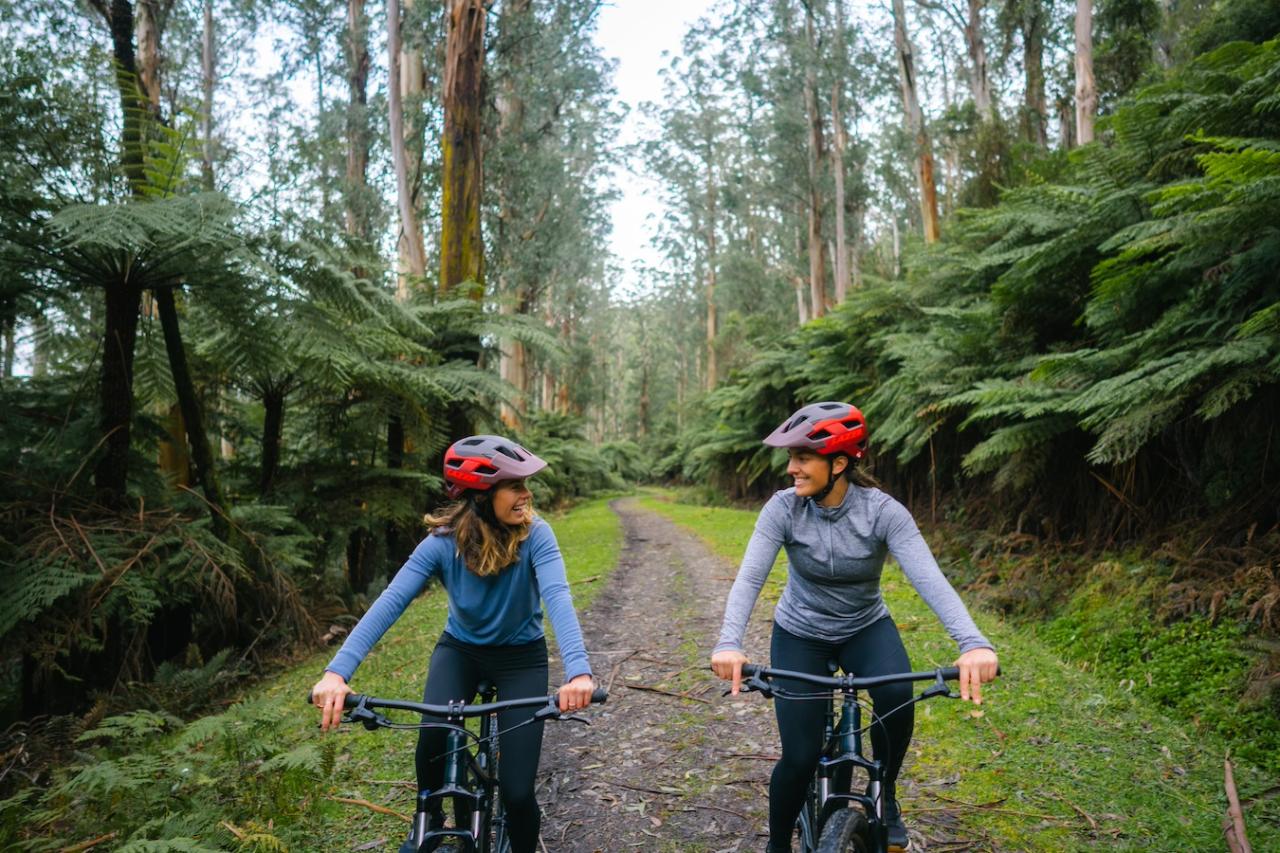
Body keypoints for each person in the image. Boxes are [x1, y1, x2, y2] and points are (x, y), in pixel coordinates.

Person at [709, 402, 999, 853]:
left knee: (896, 699)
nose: (791, 469)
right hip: (799, 631)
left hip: (864, 627)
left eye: (803, 458)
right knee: (801, 756)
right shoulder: (783, 510)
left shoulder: (883, 513)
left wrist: (972, 643)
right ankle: (777, 845)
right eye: (792, 458)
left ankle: (885, 792)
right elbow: (749, 578)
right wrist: (730, 642)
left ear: (839, 463)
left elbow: (929, 579)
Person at [311, 435, 595, 853]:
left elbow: (558, 597)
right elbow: (391, 602)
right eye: (515, 486)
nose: (526, 494)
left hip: (521, 659)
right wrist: (337, 672)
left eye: (525, 484)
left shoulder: (538, 535)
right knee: (431, 745)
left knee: (517, 793)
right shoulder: (441, 544)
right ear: (482, 495)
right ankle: (429, 819)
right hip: (460, 652)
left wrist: (579, 671)